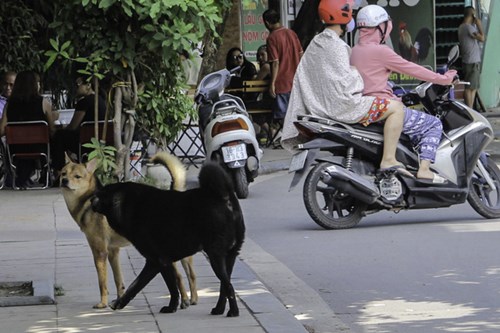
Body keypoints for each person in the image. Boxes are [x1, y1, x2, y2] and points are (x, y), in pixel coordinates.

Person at [281, 0, 407, 175]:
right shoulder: (338, 46)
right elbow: (347, 82)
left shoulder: (316, 43)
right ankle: (389, 159)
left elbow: (304, 77)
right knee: (396, 108)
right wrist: (357, 73)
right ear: (345, 17)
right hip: (345, 107)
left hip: (318, 108)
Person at [351, 4, 456, 182]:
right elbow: (412, 69)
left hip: (364, 107)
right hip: (382, 107)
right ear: (380, 27)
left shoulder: (354, 50)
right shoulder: (381, 51)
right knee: (433, 124)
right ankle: (424, 169)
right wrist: (444, 78)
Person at [0, 70, 57, 187]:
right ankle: (51, 173)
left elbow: (1, 130)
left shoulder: (9, 104)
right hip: (40, 148)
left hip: (15, 149)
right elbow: (52, 130)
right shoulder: (43, 102)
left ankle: (20, 177)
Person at [51, 76, 107, 175]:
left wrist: (61, 128)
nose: (74, 88)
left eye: (77, 85)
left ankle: (59, 169)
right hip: (100, 141)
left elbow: (73, 126)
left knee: (59, 136)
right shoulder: (101, 100)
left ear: (88, 85)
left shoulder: (84, 102)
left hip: (85, 142)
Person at [263, 9, 303, 121]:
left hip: (282, 84)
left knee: (283, 120)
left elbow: (275, 62)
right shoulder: (292, 33)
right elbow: (301, 54)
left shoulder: (272, 38)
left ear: (266, 22)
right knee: (295, 119)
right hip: (295, 82)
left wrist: (272, 83)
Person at [458, 6, 485, 108]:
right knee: (470, 88)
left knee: (473, 87)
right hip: (472, 62)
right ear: (472, 15)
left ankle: (471, 109)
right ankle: (470, 111)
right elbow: (482, 38)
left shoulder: (461, 27)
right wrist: (479, 25)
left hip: (467, 61)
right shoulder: (469, 28)